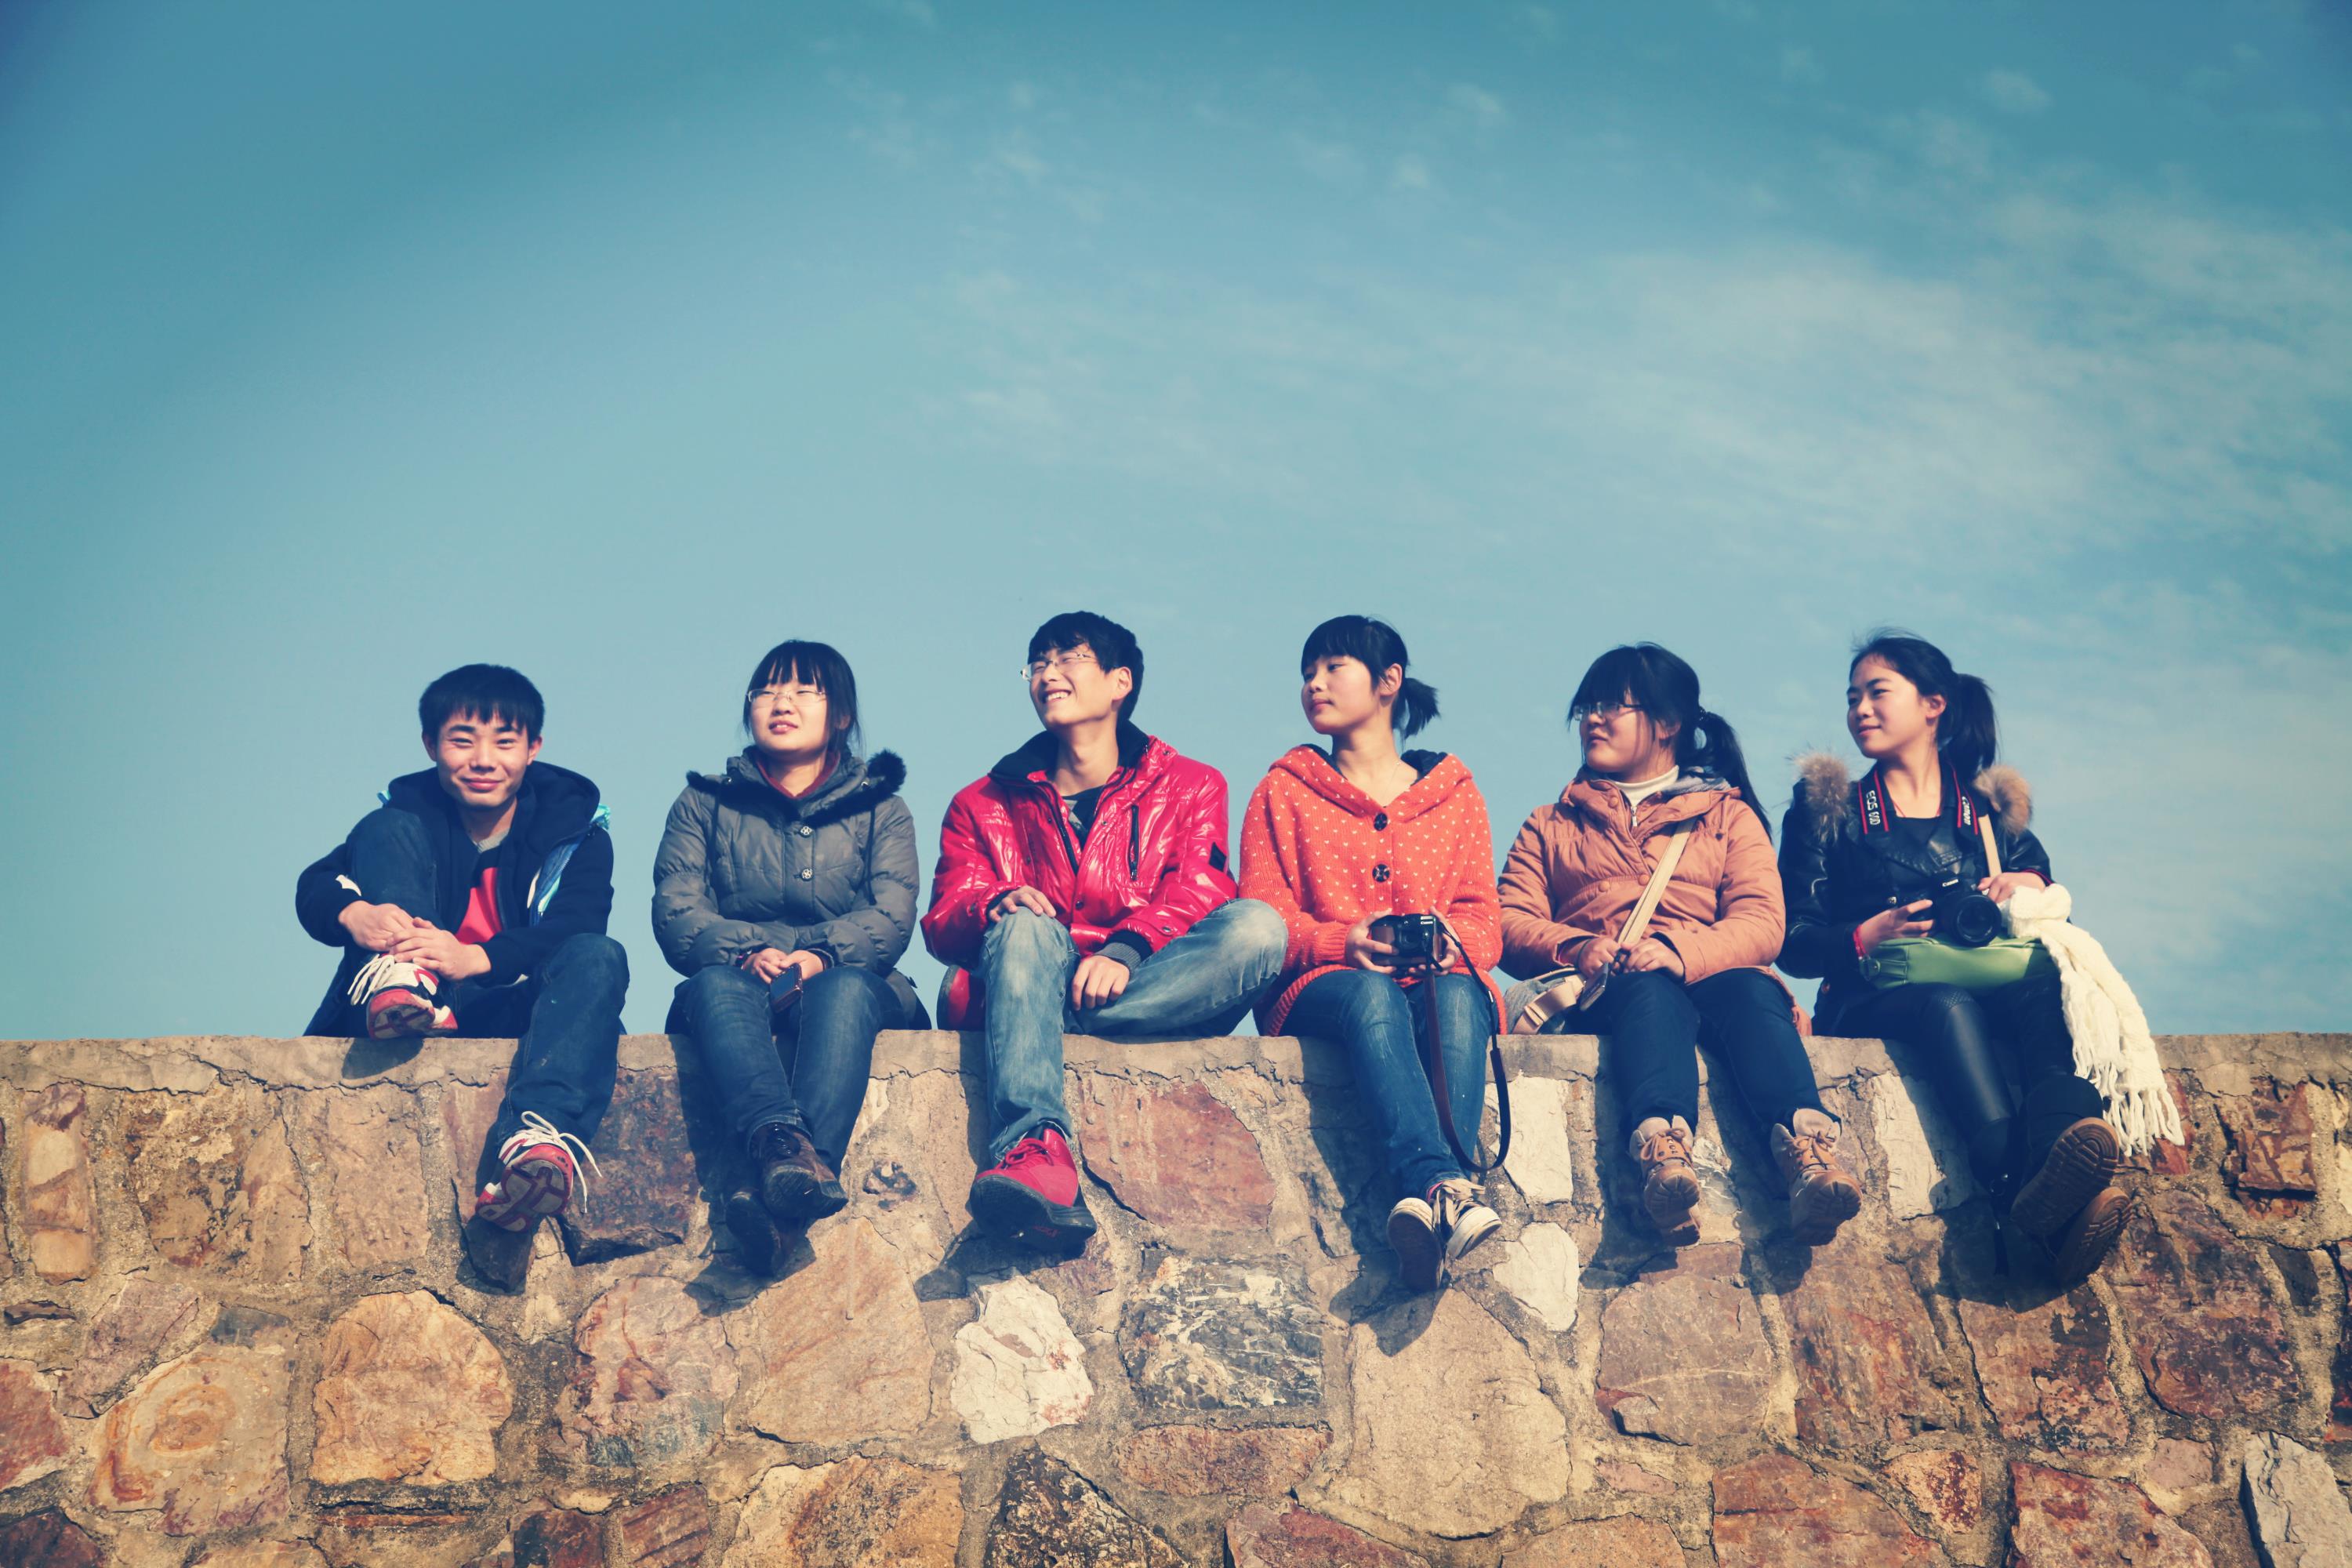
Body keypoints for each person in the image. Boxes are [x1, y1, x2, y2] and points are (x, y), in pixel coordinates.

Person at [921, 611, 1288, 1253]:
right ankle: (1035, 1148)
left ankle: (1038, 1020)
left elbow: (1202, 888)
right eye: (1038, 662)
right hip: (1038, 964)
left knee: (1258, 928)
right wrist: (994, 902)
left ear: (1121, 682)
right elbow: (943, 920)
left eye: (1068, 658)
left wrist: (1127, 948)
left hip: (1145, 975)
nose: (1048, 673)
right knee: (1025, 926)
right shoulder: (981, 803)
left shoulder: (1192, 784)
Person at [1779, 630, 2128, 1283]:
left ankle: (2068, 1149)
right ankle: (2023, 1193)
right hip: (1871, 995)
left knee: (2051, 990)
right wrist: (1866, 934)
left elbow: (2050, 905)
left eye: (1877, 692)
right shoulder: (1829, 811)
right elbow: (1792, 940)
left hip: (1991, 980)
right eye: (1852, 698)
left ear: (1933, 705)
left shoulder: (1989, 813)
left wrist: (2027, 884)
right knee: (1948, 1004)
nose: (1860, 710)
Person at [1499, 644, 1862, 1246]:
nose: (1593, 720)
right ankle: (1662, 1152)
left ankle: (1808, 1152)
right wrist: (1578, 946)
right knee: (1649, 992)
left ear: (1667, 723)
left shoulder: (1729, 816)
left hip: (1713, 975)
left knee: (1752, 991)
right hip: (1611, 987)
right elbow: (1509, 920)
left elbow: (1762, 923)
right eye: (1587, 707)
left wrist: (1679, 951)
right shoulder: (1550, 823)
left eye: (1612, 706)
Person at [296, 664, 626, 1277]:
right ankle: (404, 980)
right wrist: (354, 914)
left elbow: (577, 927)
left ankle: (535, 1141)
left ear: (533, 748)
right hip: (406, 1002)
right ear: (431, 745)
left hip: (508, 1004)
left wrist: (475, 958)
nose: (483, 760)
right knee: (385, 830)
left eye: (504, 741)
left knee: (600, 956)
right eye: (462, 740)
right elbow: (317, 883)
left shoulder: (575, 832)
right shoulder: (404, 816)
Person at [1238, 615, 1504, 1291]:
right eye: (1308, 672)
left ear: (1389, 681)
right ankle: (1445, 1184)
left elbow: (1484, 921)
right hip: (1322, 986)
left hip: (1436, 982)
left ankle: (1429, 1205)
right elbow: (1262, 918)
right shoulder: (1282, 790)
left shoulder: (1455, 795)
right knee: (1371, 991)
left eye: (1333, 667)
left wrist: (1448, 944)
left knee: (1459, 995)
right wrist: (1341, 941)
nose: (1314, 683)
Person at [652, 640, 927, 1272]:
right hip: (740, 980)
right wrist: (747, 950)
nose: (782, 703)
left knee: (845, 989)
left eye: (806, 691)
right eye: (767, 691)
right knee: (713, 988)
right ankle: (786, 1152)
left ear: (842, 715)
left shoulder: (883, 808)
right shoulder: (703, 803)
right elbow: (676, 910)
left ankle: (788, 1185)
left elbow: (891, 913)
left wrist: (823, 955)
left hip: (851, 980)